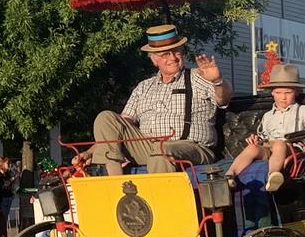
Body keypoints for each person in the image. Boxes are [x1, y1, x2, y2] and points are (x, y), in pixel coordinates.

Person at [72, 24, 232, 174]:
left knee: (161, 151)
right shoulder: (144, 87)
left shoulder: (198, 77)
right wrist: (89, 152)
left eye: (176, 52)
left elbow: (223, 99)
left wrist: (217, 81)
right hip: (148, 147)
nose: (173, 58)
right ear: (154, 60)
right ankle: (115, 184)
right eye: (165, 54)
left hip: (191, 148)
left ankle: (162, 202)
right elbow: (120, 126)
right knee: (106, 118)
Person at [225, 64, 305, 191]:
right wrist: (256, 140)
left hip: (291, 148)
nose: (283, 97)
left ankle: (272, 176)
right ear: (272, 93)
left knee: (280, 144)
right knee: (252, 148)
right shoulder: (268, 116)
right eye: (278, 93)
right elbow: (263, 137)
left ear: (296, 92)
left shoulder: (303, 110)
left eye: (288, 93)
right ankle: (229, 176)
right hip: (269, 147)